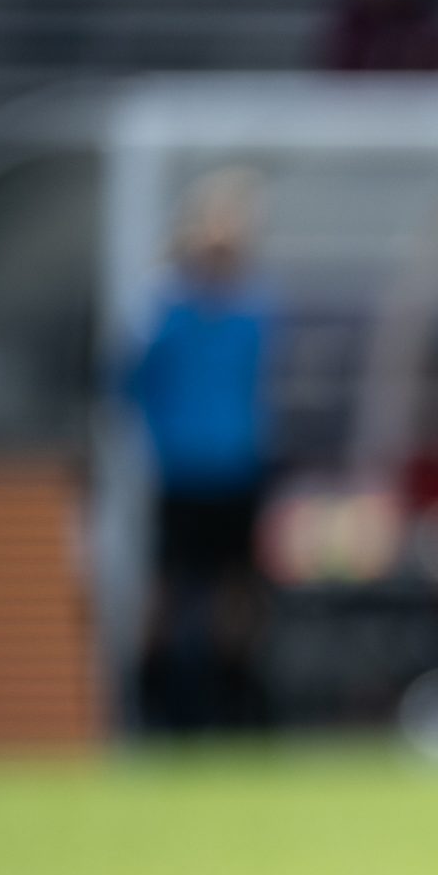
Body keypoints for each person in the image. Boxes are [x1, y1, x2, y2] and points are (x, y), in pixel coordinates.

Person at [126, 169, 277, 734]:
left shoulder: (256, 307)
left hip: (238, 467)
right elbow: (131, 382)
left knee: (236, 595)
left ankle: (233, 708)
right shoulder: (164, 306)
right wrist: (165, 439)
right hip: (182, 472)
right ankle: (154, 706)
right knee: (168, 590)